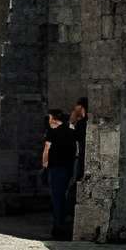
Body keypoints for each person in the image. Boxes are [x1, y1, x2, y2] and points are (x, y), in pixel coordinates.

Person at [40, 99, 88, 241]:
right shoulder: (71, 132)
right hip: (68, 167)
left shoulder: (52, 132)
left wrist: (44, 166)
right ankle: (63, 224)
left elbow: (46, 150)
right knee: (63, 196)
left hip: (56, 168)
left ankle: (58, 226)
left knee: (57, 198)